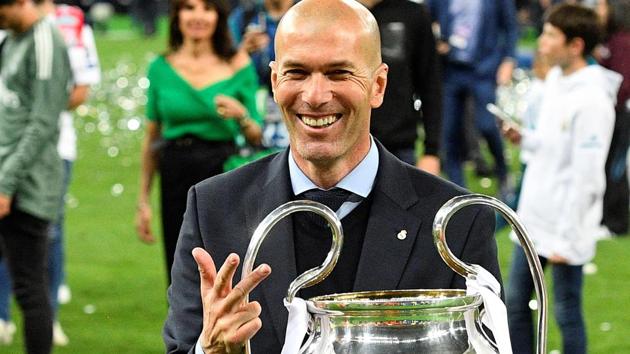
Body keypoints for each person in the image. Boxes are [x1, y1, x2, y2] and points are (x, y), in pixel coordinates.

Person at [162, 1, 501, 353]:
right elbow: (182, 345)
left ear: (378, 85)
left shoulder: (456, 221)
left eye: (339, 73)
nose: (316, 96)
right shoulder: (214, 209)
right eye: (297, 73)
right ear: (275, 81)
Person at [505, 4, 622, 354]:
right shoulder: (557, 80)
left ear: (575, 45)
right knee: (514, 305)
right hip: (533, 214)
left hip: (565, 225)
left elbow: (588, 176)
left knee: (566, 312)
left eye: (550, 35)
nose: (541, 42)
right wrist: (524, 138)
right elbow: (551, 142)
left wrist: (569, 238)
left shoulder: (593, 100)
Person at [135, 0, 263, 285]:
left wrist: (241, 115)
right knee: (179, 265)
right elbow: (152, 138)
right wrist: (143, 200)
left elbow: (257, 134)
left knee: (224, 266)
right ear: (177, 16)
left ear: (218, 17)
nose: (198, 17)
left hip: (223, 171)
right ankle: (182, 330)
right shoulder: (161, 67)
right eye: (189, 8)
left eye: (207, 9)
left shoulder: (236, 64)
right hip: (175, 170)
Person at [0, 0, 101, 346]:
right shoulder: (13, 38)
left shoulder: (46, 40)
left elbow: (43, 121)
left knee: (30, 288)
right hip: (8, 175)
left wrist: (5, 182)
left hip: (26, 184)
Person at [429, 0, 518, 196]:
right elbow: (429, 18)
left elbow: (510, 27)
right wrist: (437, 39)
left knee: (487, 125)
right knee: (449, 132)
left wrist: (509, 59)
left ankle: (503, 173)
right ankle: (459, 191)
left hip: (484, 68)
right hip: (450, 69)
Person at [357, 0, 442, 174]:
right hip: (342, 145)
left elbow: (430, 85)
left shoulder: (413, 14)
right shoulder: (335, 12)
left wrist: (432, 151)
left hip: (398, 147)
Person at [228, 0, 294, 151]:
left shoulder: (308, 13)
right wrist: (243, 51)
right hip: (252, 113)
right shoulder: (243, 17)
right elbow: (221, 73)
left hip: (296, 107)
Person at [595, 0, 630, 236]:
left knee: (616, 167)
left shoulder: (623, 41)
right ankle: (607, 218)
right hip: (614, 112)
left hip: (621, 113)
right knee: (608, 164)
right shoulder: (611, 40)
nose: (599, 12)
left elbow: (623, 82)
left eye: (602, 7)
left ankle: (616, 223)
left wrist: (609, 105)